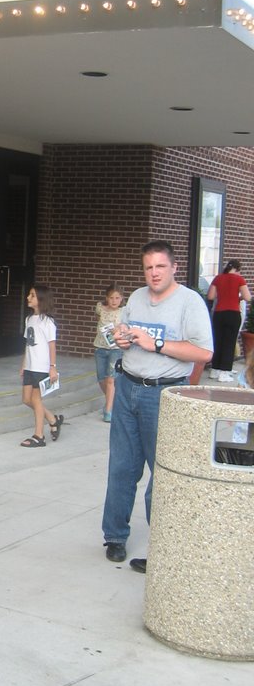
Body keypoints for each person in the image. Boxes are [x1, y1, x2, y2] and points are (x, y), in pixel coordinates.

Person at [102, 241, 213, 571]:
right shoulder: (136, 297)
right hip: (127, 387)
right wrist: (121, 336)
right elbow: (123, 329)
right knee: (122, 467)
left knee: (161, 475)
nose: (154, 273)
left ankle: (162, 550)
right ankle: (115, 537)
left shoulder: (189, 302)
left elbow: (204, 353)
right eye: (149, 267)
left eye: (160, 267)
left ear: (174, 267)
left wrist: (158, 344)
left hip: (163, 394)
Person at [19, 285, 63, 447]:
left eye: (32, 295)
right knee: (26, 399)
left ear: (41, 300)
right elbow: (28, 344)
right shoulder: (29, 319)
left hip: (42, 367)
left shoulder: (48, 322)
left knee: (36, 400)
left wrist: (52, 367)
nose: (28, 298)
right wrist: (24, 364)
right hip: (30, 366)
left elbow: (52, 346)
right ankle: (53, 419)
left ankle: (39, 436)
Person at [207, 260, 251, 382]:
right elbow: (248, 297)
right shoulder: (239, 279)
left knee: (218, 341)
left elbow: (210, 296)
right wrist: (238, 297)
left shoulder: (218, 278)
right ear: (237, 269)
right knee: (229, 343)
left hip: (219, 314)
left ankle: (214, 370)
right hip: (233, 313)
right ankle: (224, 372)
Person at [93, 284, 125, 423]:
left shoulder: (123, 311)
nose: (114, 301)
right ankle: (112, 402)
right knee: (101, 378)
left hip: (116, 348)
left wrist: (119, 329)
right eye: (111, 298)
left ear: (122, 299)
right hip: (100, 346)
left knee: (111, 378)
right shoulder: (100, 308)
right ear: (107, 298)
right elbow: (98, 320)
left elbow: (127, 327)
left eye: (117, 298)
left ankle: (108, 410)